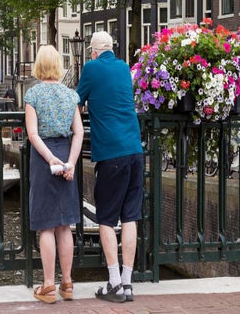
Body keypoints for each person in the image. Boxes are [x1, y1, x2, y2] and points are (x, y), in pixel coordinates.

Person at [76, 31, 144, 303]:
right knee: (130, 217)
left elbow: (76, 104)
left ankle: (114, 282)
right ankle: (127, 283)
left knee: (105, 218)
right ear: (112, 49)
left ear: (93, 52)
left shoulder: (91, 68)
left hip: (111, 154)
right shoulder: (125, 68)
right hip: (135, 150)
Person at [24, 45, 84, 304]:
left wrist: (51, 159)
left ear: (39, 65)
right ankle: (67, 283)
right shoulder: (71, 95)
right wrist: (70, 162)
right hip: (66, 152)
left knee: (46, 225)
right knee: (64, 225)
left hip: (44, 157)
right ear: (58, 65)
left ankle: (48, 285)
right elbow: (79, 132)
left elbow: (33, 134)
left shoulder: (33, 94)